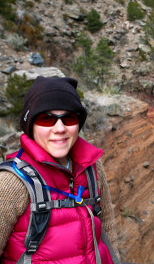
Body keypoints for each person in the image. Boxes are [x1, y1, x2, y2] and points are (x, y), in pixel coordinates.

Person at [0, 76, 119, 263]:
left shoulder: (91, 168)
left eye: (69, 118)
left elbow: (108, 232)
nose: (60, 128)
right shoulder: (11, 184)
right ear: (30, 125)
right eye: (47, 119)